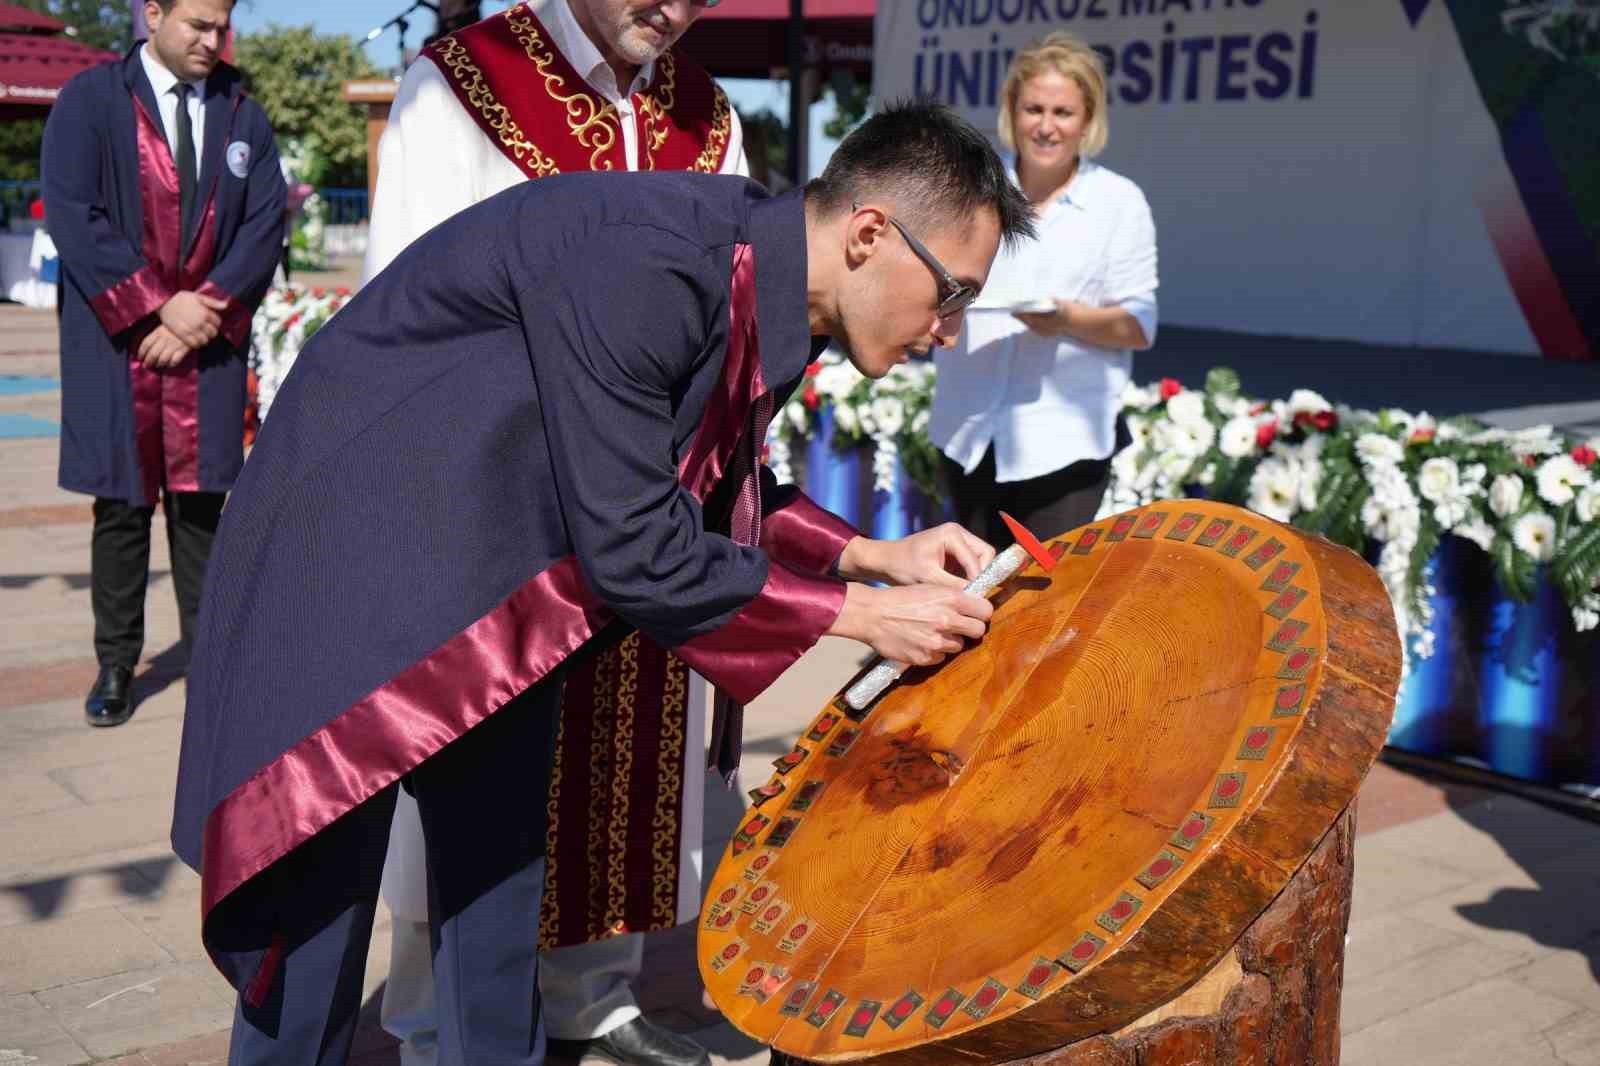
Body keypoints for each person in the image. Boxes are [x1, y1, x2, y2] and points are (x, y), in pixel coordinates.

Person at [170, 100, 1033, 1066]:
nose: (948, 333)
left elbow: (710, 476)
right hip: (348, 568)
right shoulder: (651, 260)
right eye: (951, 293)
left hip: (492, 582)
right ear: (871, 233)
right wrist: (867, 615)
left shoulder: (762, 273)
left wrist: (868, 555)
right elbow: (639, 543)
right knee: (312, 955)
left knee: (498, 920)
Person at [359, 1, 747, 1062]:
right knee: (467, 777)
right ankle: (437, 1014)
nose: (670, 8)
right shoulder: (465, 82)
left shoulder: (707, 117)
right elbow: (406, 305)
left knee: (624, 761)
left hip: (641, 507)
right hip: (498, 505)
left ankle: (593, 993)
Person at [40, 0, 285, 728]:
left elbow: (265, 224)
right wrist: (153, 307)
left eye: (221, 27)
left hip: (203, 345)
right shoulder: (90, 100)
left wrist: (199, 311)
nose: (213, 41)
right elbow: (71, 210)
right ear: (153, 13)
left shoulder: (244, 114)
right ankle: (117, 664)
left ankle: (211, 667)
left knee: (203, 507)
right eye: (197, 26)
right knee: (119, 507)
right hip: (118, 346)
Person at [929, 31, 1159, 548]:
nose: (1047, 127)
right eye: (1034, 109)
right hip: (967, 430)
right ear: (1012, 110)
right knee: (966, 605)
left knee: (1047, 616)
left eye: (1063, 112)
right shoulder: (972, 190)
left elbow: (1140, 325)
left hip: (1062, 446)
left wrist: (1068, 321)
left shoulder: (1119, 203)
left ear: (1088, 120)